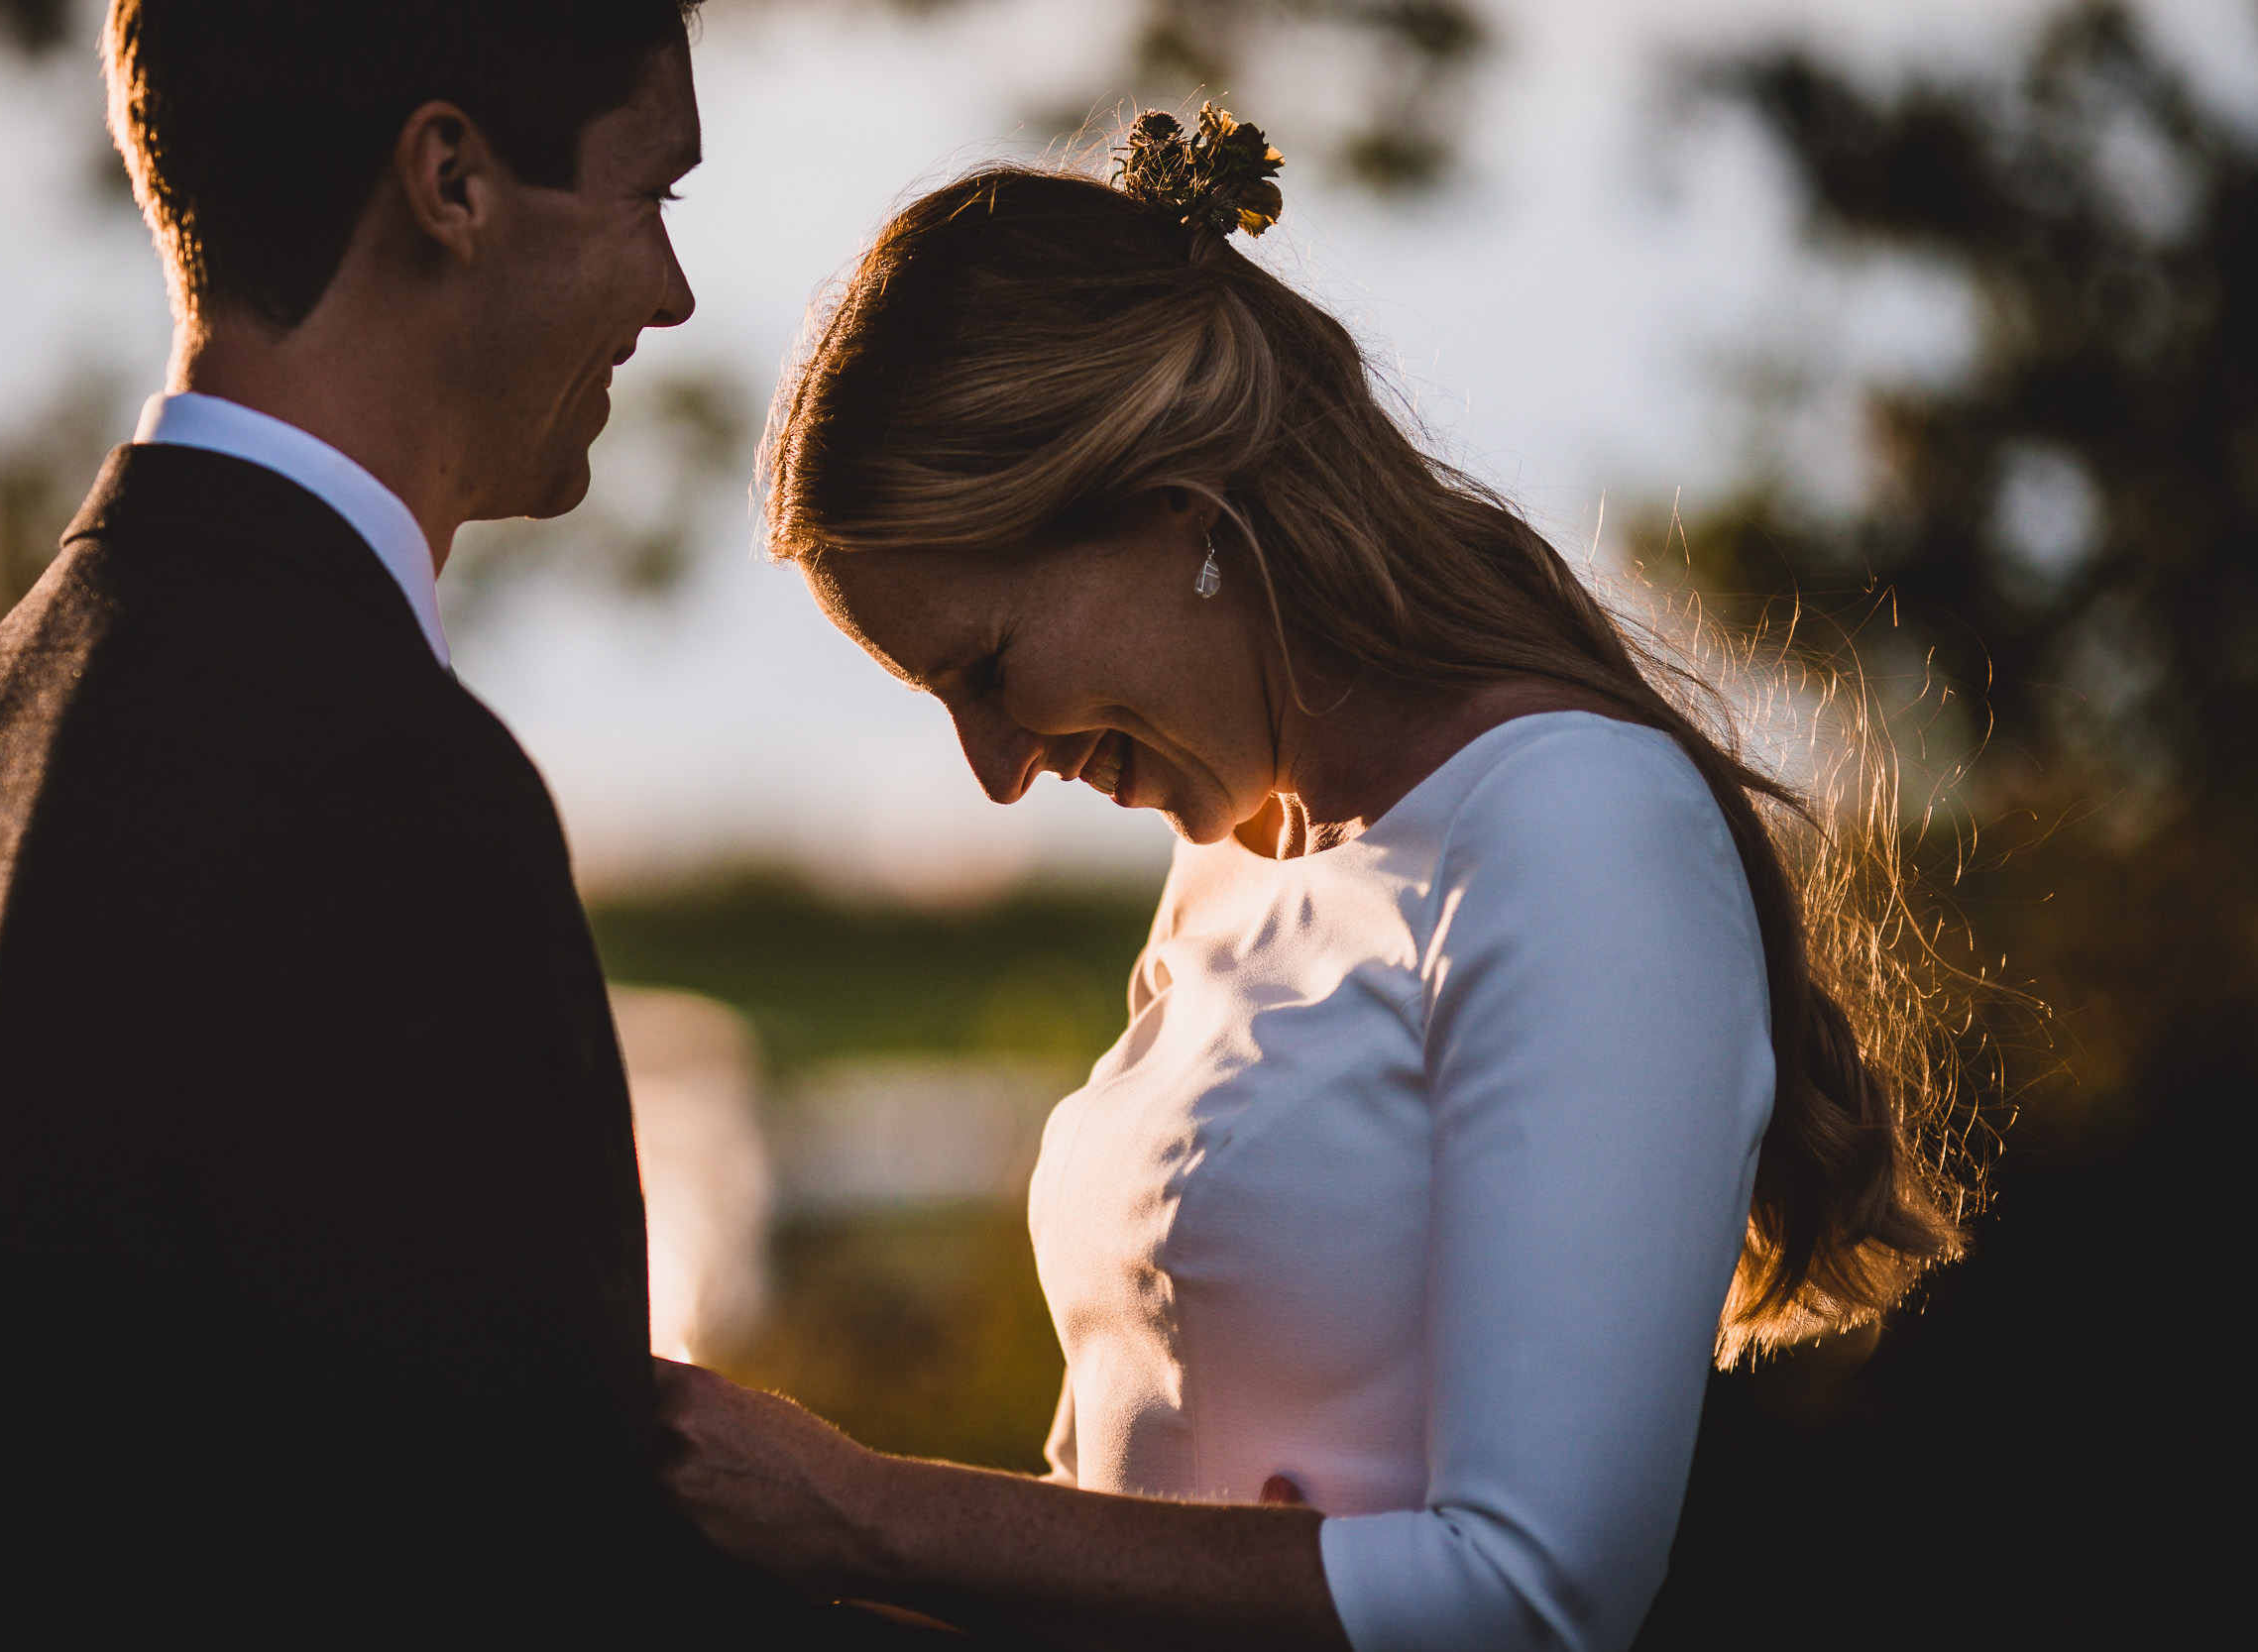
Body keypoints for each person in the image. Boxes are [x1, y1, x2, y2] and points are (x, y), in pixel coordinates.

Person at [656, 109, 1975, 1651]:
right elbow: (1113, 1503)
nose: (998, 771)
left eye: (993, 669)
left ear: (1174, 502)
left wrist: (863, 1510)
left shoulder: (1577, 831)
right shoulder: (1225, 862)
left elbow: (1531, 1597)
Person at [0, 4, 928, 1645]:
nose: (671, 293)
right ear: (451, 179)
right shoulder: (370, 787)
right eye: (656, 198)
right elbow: (523, 1574)